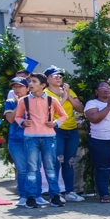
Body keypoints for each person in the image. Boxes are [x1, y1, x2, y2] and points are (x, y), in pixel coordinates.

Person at [16, 72, 65, 206]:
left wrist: (55, 123)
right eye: (29, 81)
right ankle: (30, 197)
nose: (30, 84)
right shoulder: (23, 100)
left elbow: (63, 115)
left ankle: (55, 196)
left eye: (34, 82)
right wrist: (22, 122)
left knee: (50, 168)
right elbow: (17, 116)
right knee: (32, 168)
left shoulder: (51, 100)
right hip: (30, 137)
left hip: (49, 137)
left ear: (43, 85)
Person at [43, 67, 84, 201]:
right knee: (56, 162)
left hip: (72, 131)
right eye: (55, 76)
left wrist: (68, 96)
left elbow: (80, 108)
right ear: (47, 78)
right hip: (56, 131)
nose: (58, 78)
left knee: (69, 162)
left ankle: (69, 192)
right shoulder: (45, 93)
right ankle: (54, 193)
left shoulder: (69, 91)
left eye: (60, 76)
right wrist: (63, 98)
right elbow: (47, 112)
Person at [4, 77, 34, 207]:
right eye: (15, 87)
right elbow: (10, 119)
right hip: (16, 140)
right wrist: (19, 104)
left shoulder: (34, 101)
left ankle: (35, 195)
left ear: (28, 88)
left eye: (20, 86)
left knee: (34, 169)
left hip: (33, 139)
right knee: (22, 169)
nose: (17, 89)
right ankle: (23, 196)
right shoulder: (10, 102)